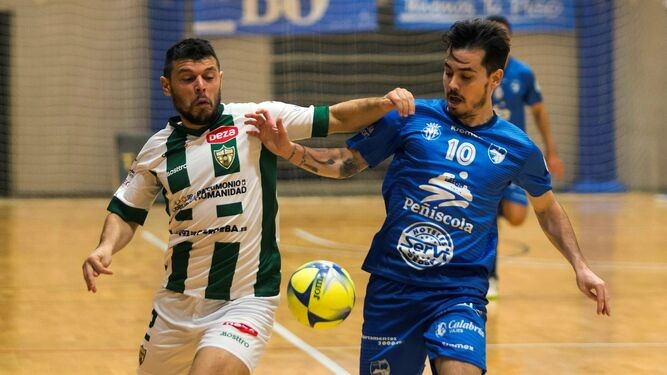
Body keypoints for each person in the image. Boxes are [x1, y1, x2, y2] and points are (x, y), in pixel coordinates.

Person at [248, 19, 610, 375]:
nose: (453, 83)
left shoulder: (517, 147)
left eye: (466, 76)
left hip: (459, 292)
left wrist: (580, 266)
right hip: (393, 288)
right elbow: (346, 162)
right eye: (448, 71)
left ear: (494, 79)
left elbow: (546, 209)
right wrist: (289, 150)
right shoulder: (410, 117)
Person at [81, 38, 414, 375]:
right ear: (167, 86)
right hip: (177, 304)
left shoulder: (256, 120)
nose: (200, 86)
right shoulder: (156, 150)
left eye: (209, 76)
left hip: (246, 300)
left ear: (220, 78)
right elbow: (126, 209)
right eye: (188, 78)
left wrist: (386, 103)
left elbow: (336, 118)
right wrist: (105, 248)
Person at [485, 14, 565, 299]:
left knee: (517, 216)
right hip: (486, 155)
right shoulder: (479, 71)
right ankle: (490, 276)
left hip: (514, 156)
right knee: (489, 216)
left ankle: (492, 210)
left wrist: (551, 151)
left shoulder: (524, 73)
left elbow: (539, 112)